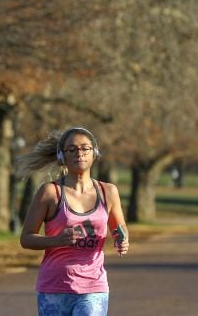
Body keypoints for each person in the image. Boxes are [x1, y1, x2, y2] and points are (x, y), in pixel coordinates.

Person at [18, 127, 129, 316]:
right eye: (72, 149)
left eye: (85, 148)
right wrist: (56, 240)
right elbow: (26, 238)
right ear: (62, 156)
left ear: (94, 153)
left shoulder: (108, 192)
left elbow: (120, 226)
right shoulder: (50, 193)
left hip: (93, 286)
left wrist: (122, 238)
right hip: (54, 286)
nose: (80, 153)